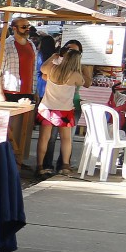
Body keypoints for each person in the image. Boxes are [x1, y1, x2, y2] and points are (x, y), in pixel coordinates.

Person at [32, 41, 85, 176]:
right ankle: (65, 165)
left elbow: (43, 70)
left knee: (44, 138)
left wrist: (54, 56)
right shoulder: (75, 75)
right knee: (66, 139)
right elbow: (82, 82)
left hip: (47, 108)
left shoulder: (52, 70)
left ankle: (40, 165)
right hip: (65, 110)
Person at [0, 17, 38, 103]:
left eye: (28, 26)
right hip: (10, 91)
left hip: (29, 92)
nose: (27, 29)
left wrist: (35, 91)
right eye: (24, 27)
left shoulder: (31, 44)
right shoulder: (5, 45)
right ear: (14, 28)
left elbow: (34, 69)